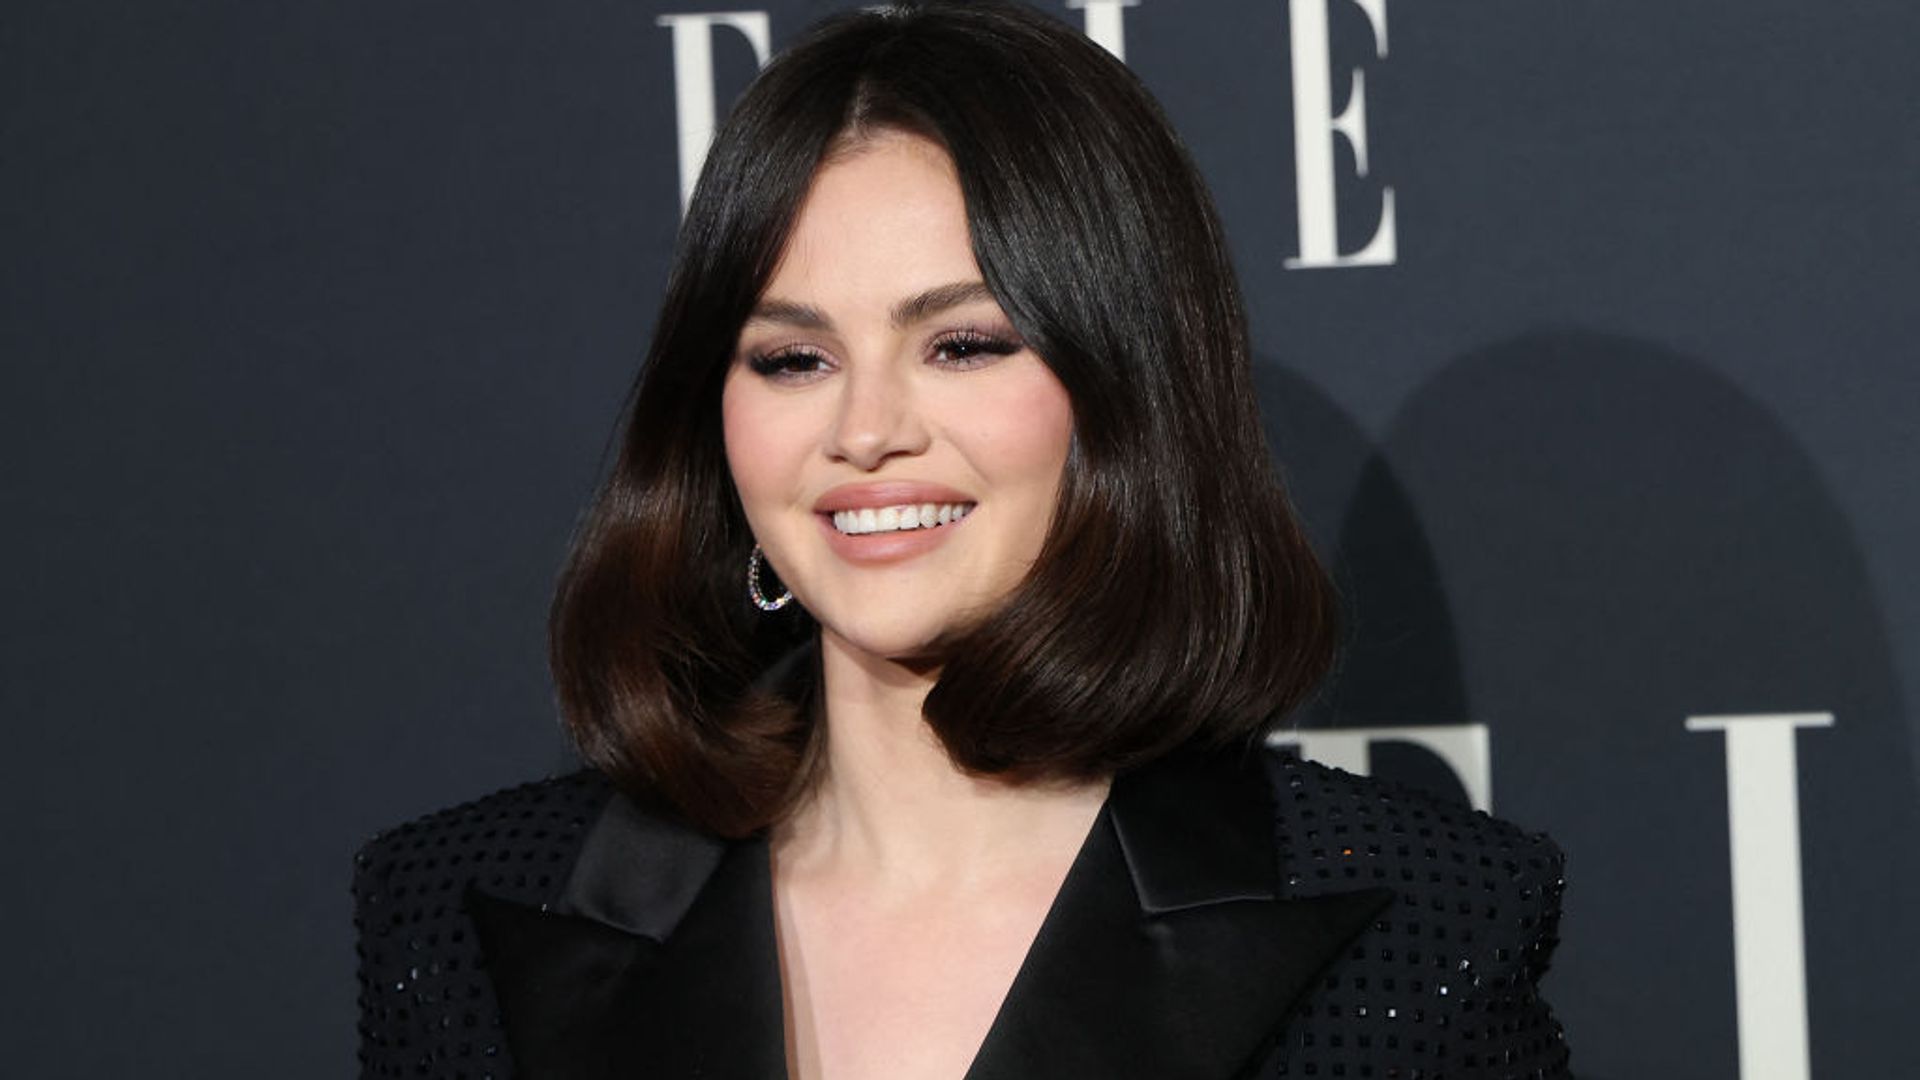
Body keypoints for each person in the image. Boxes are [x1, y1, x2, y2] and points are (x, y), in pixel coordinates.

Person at [352, 2, 1571, 1077]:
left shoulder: (1420, 927)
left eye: (964, 345)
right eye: (793, 359)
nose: (865, 431)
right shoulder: (467, 907)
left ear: (1126, 390)